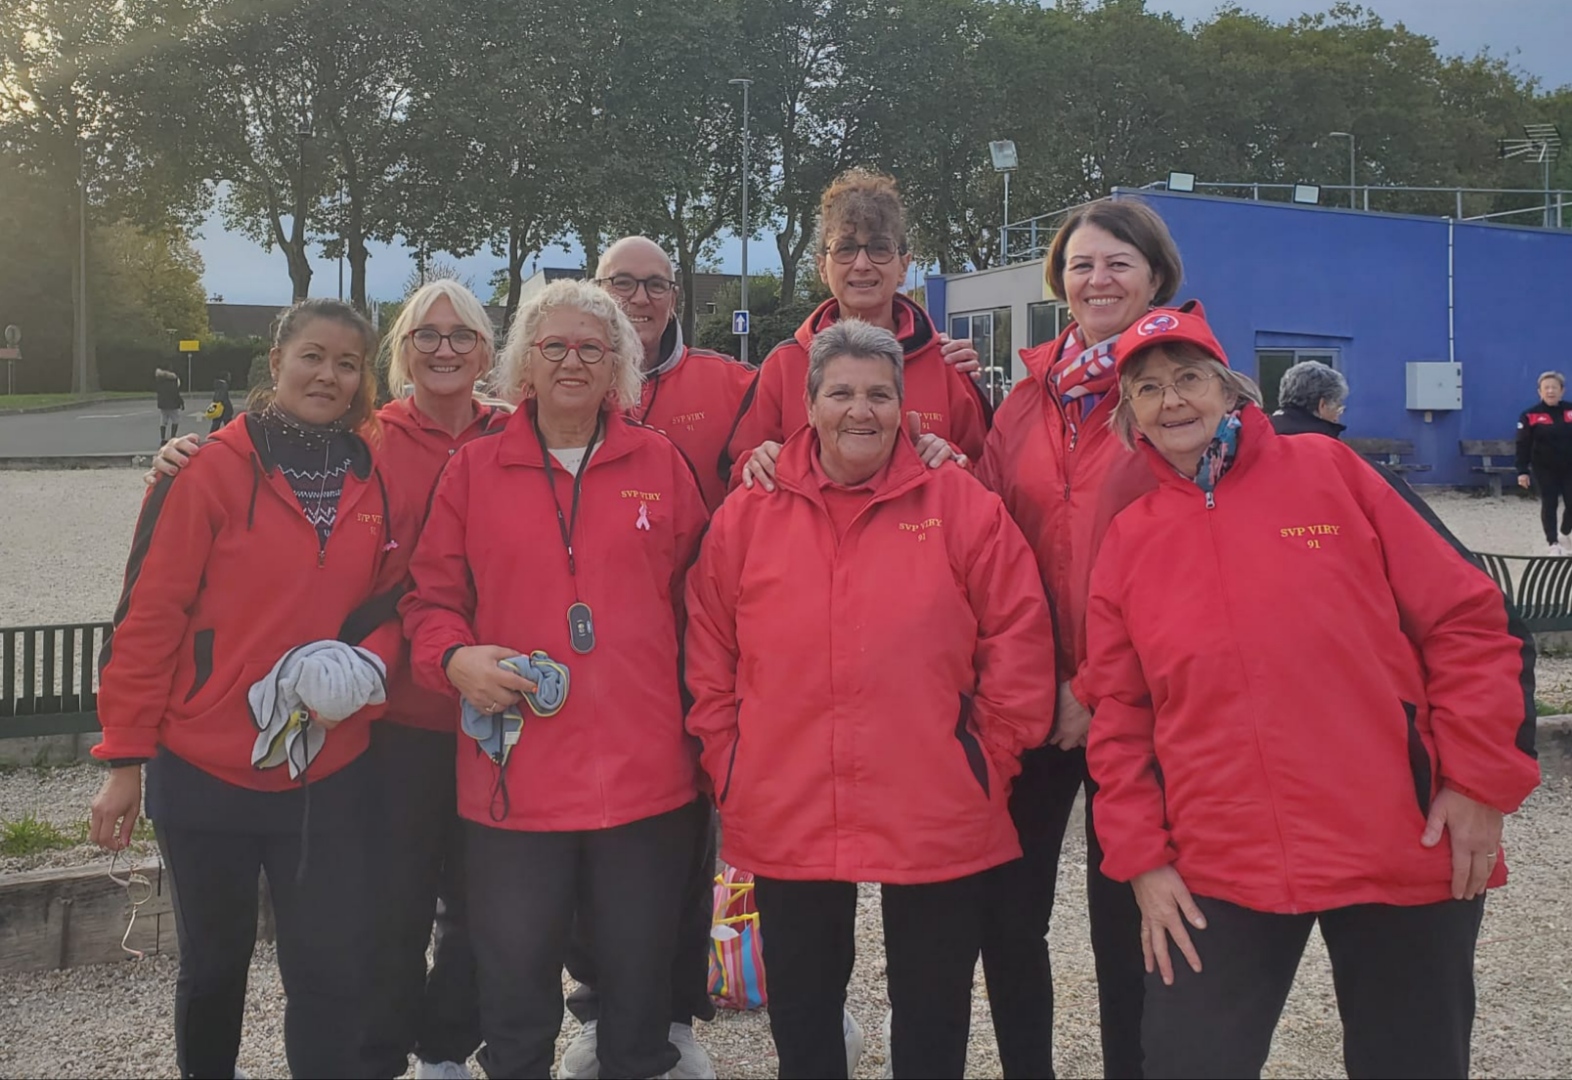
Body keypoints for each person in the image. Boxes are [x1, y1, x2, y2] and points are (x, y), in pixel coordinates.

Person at [1083, 305, 1540, 1080]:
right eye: (1149, 388)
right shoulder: (1130, 538)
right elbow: (1120, 718)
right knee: (1189, 1061)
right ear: (1132, 417)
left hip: (1397, 832)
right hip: (1219, 858)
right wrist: (1141, 861)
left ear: (1232, 391)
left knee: (1413, 1061)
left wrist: (1478, 783)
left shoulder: (1332, 472)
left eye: (1190, 377)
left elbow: (1470, 622)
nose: (1173, 401)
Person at [146, 281, 510, 1080]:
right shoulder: (371, 442)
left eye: (462, 335)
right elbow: (160, 604)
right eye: (426, 334)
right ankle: (379, 1059)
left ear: (487, 351)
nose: (444, 348)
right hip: (386, 721)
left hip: (490, 712)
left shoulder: (515, 434)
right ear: (403, 353)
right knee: (382, 915)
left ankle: (446, 1049)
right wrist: (179, 459)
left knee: (480, 912)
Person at [685, 319, 1057, 1080]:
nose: (863, 411)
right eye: (843, 393)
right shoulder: (748, 515)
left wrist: (986, 756)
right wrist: (731, 759)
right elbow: (709, 652)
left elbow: (1018, 640)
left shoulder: (961, 504)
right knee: (804, 1007)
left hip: (935, 794)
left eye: (881, 395)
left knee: (932, 1009)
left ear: (906, 409)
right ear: (809, 405)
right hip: (787, 789)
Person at [89, 299, 410, 1079]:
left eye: (345, 363)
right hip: (204, 767)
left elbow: (395, 601)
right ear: (276, 363)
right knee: (213, 969)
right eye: (312, 356)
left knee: (328, 971)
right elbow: (148, 617)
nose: (327, 375)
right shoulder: (205, 472)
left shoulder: (374, 476)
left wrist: (368, 664)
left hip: (325, 770)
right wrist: (124, 758)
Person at [400, 279, 710, 1080]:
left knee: (638, 994)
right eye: (554, 347)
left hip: (646, 780)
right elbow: (430, 601)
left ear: (619, 369)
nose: (573, 362)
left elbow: (708, 606)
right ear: (523, 366)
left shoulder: (662, 464)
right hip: (516, 782)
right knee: (515, 994)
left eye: (593, 348)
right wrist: (454, 659)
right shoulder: (473, 472)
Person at [973, 197, 1183, 1079]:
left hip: (1141, 705)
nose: (1099, 279)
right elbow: (986, 544)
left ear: (1157, 277)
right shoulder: (1026, 399)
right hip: (1032, 700)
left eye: (1118, 264)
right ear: (1059, 279)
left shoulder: (1183, 391)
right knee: (1007, 915)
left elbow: (1192, 561)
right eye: (1083, 264)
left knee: (1128, 917)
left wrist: (1095, 687)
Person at [557, 236, 746, 1080]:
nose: (638, 297)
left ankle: (674, 1017)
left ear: (676, 296)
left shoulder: (728, 385)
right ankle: (595, 1007)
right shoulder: (559, 376)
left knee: (678, 851)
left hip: (687, 656)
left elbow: (812, 425)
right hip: (584, 663)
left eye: (654, 285)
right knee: (579, 848)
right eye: (620, 283)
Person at [725, 168, 988, 494]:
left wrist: (955, 459)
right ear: (822, 267)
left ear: (904, 265)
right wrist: (754, 461)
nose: (862, 264)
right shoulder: (784, 365)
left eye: (879, 248)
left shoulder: (947, 365)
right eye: (846, 248)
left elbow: (989, 476)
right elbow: (737, 479)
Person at [1515, 370, 1572, 555]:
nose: (1550, 391)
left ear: (1562, 390)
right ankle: (1553, 543)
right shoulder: (1530, 415)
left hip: (1569, 466)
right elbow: (1522, 444)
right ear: (1539, 391)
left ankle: (1565, 532)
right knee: (1550, 503)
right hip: (1544, 468)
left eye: (1554, 387)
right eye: (1546, 388)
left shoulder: (1570, 410)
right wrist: (1522, 470)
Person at [1270, 360, 1346, 438]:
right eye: (1337, 410)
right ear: (1322, 405)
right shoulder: (1326, 443)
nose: (1336, 419)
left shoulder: (1263, 433)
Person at [154, 367, 184, 445]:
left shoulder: (160, 382)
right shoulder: (173, 383)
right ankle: (173, 437)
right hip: (173, 405)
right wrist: (181, 403)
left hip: (162, 404)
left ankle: (163, 438)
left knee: (163, 421)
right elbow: (176, 394)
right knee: (175, 420)